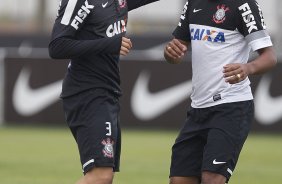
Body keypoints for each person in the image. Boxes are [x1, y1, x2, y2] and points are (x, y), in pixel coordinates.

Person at [164, 0, 277, 184]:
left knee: (212, 179)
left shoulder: (244, 5)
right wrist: (170, 54)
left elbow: (269, 57)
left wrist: (248, 68)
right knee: (179, 180)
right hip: (198, 109)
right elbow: (178, 48)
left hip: (231, 106)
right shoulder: (193, 3)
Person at [48, 0, 159, 184]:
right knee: (101, 175)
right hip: (86, 93)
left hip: (108, 93)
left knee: (105, 176)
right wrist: (108, 44)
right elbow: (57, 46)